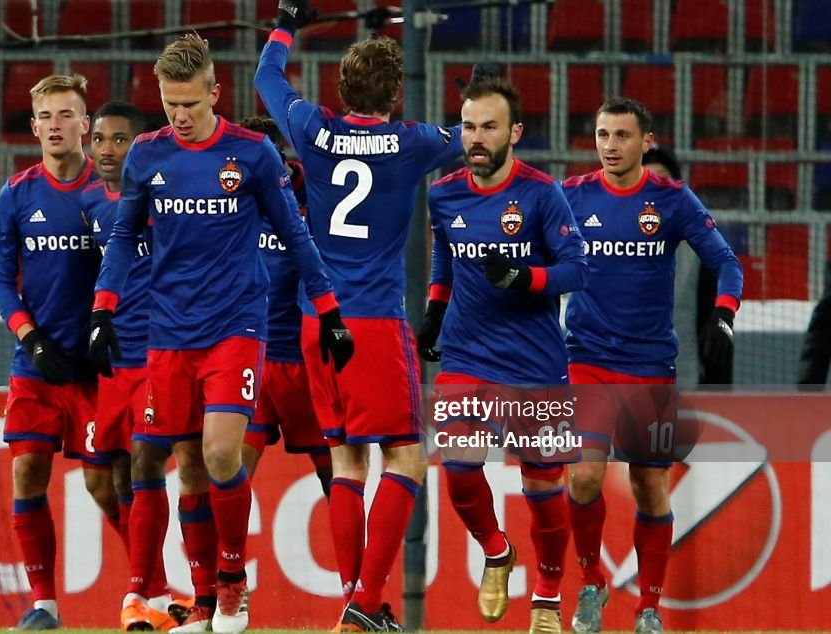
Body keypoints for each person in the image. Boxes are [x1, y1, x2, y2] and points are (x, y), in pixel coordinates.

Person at [89, 34, 352, 634]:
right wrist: (103, 310)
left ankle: (233, 582)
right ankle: (197, 598)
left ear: (214, 92)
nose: (180, 116)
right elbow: (126, 238)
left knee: (218, 452)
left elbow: (296, 234)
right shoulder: (147, 157)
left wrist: (330, 311)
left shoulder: (253, 153)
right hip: (168, 331)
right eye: (169, 103)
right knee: (171, 461)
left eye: (190, 103)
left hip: (237, 324)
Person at [256, 3, 463, 629]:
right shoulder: (416, 142)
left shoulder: (312, 131)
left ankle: (356, 603)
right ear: (397, 93)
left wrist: (288, 18)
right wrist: (471, 109)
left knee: (346, 461)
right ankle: (365, 606)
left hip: (317, 321)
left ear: (341, 88)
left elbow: (268, 77)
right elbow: (471, 144)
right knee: (405, 459)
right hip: (373, 321)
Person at [562, 98, 743, 634]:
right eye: (601, 135)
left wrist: (724, 317)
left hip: (650, 366)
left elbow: (726, 262)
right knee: (586, 475)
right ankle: (592, 580)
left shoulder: (670, 199)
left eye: (621, 135)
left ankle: (649, 608)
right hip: (587, 359)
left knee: (650, 487)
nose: (610, 146)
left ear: (646, 142)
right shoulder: (573, 196)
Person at [417, 76, 587, 634]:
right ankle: (496, 551)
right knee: (459, 469)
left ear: (514, 131)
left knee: (543, 487)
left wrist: (525, 276)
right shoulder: (443, 193)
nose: (476, 137)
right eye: (468, 126)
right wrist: (435, 312)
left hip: (536, 364)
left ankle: (546, 595)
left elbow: (576, 270)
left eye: (489, 126)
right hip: (467, 356)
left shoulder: (541, 193)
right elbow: (445, 259)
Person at [0, 73, 101, 630]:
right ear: (34, 127)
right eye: (46, 117)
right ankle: (44, 605)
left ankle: (150, 597)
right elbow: (0, 281)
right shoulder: (17, 193)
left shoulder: (107, 192)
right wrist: (30, 340)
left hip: (97, 368)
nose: (56, 126)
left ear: (86, 123)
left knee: (111, 484)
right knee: (27, 472)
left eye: (67, 115)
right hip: (35, 364)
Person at [81, 101, 192, 631]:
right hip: (112, 360)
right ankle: (159, 589)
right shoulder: (91, 206)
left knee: (149, 461)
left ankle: (148, 593)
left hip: (159, 353)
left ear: (142, 145)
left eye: (120, 139)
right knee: (103, 481)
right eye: (100, 139)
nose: (107, 150)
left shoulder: (169, 201)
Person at [238, 114, 333, 495]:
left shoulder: (318, 195)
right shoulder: (233, 201)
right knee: (231, 472)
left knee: (335, 471)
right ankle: (225, 556)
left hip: (306, 360)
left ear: (279, 154)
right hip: (252, 356)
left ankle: (355, 556)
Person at [641, 146, 729, 386]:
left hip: (683, 387)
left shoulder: (698, 250)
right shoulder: (602, 244)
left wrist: (721, 393)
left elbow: (715, 326)